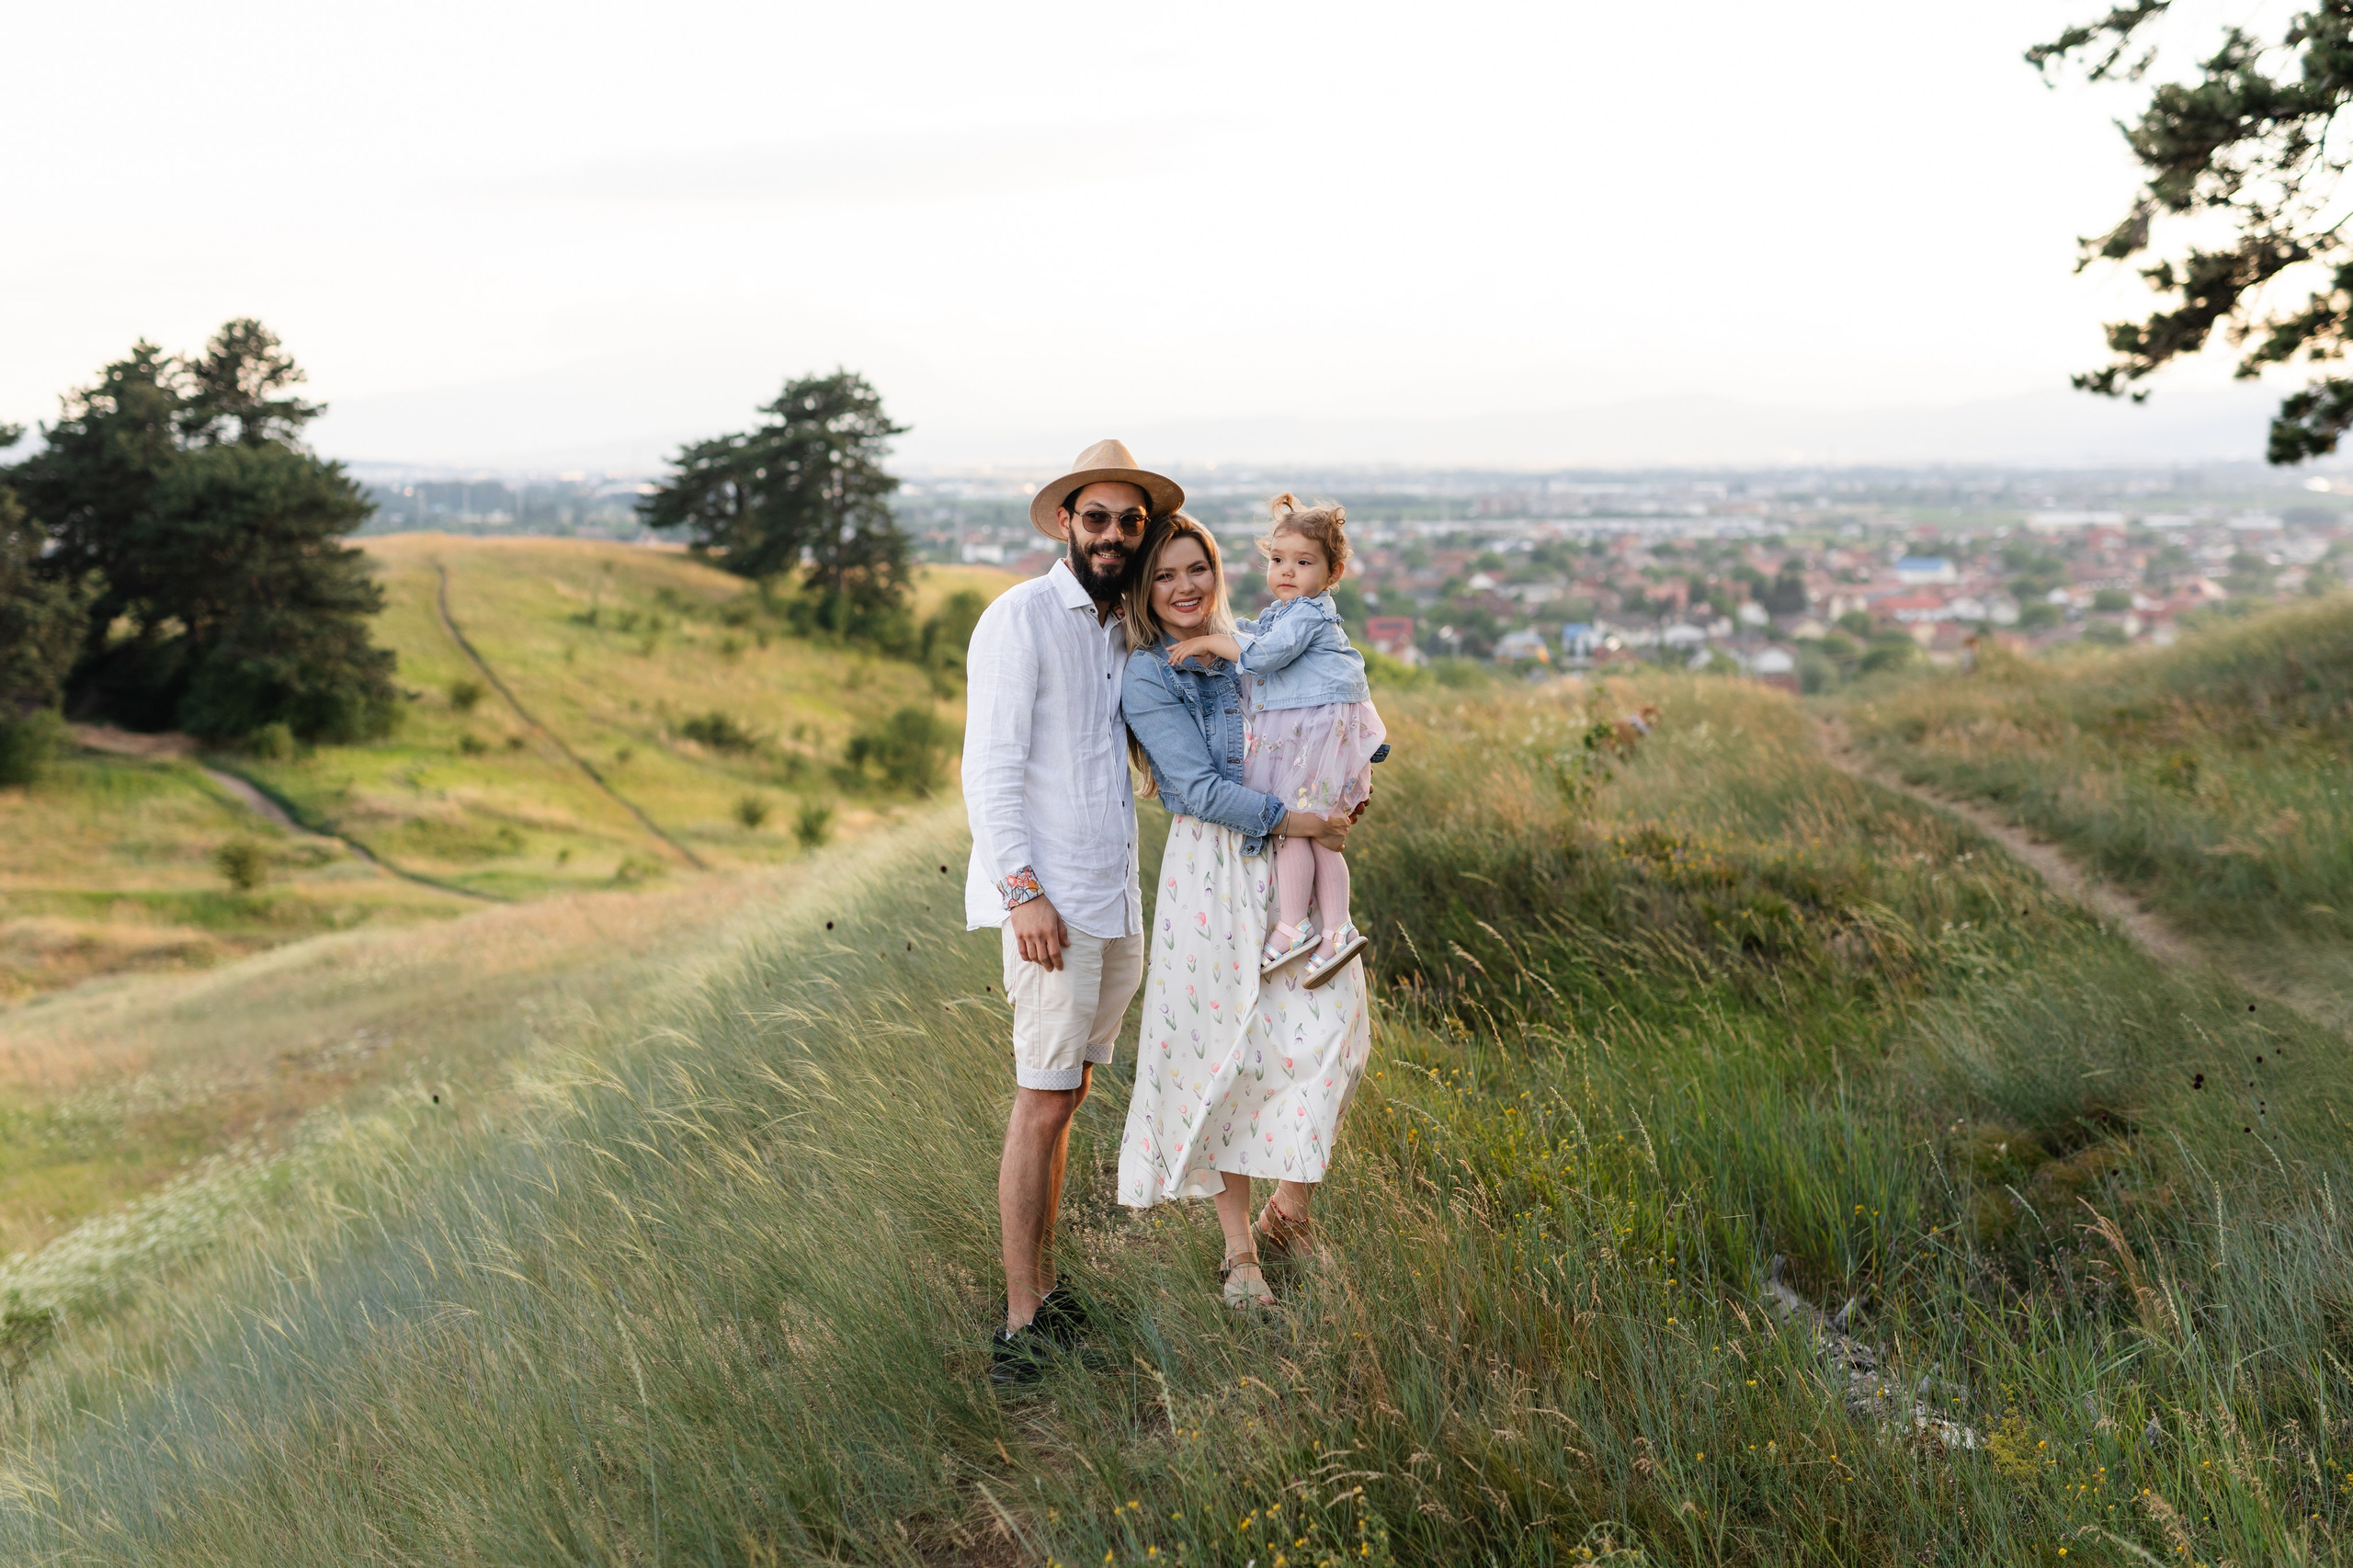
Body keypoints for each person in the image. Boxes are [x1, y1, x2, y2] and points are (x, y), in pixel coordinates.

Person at [962, 438, 1181, 1385]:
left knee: (1069, 1097)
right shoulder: (1019, 618)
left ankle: (1046, 1289)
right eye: (1097, 518)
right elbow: (989, 766)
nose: (1113, 535)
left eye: (1130, 522)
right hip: (1049, 904)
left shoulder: (1126, 631)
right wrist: (1021, 893)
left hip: (1112, 897)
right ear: (1065, 522)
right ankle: (1019, 1321)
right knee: (1040, 1098)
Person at [1117, 512, 1371, 1311]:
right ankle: (1239, 1254)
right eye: (1164, 575)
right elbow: (1195, 788)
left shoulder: (1265, 640)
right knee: (1221, 1054)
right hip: (1215, 872)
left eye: (1196, 569)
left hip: (1290, 859)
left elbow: (1324, 719)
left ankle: (1289, 1212)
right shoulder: (1150, 674)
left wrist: (1345, 789)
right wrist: (1302, 819)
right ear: (1144, 590)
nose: (1185, 587)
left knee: (1332, 1036)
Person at [1165, 494, 1387, 988]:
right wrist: (1216, 629)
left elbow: (1263, 656)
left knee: (1296, 823)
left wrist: (1204, 642)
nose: (1286, 571)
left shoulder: (1307, 615)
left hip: (1312, 728)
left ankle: (1298, 925)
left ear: (1333, 573)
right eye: (1278, 560)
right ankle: (1334, 928)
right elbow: (1247, 633)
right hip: (1301, 727)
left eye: (1303, 562)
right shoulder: (1285, 611)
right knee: (1312, 825)